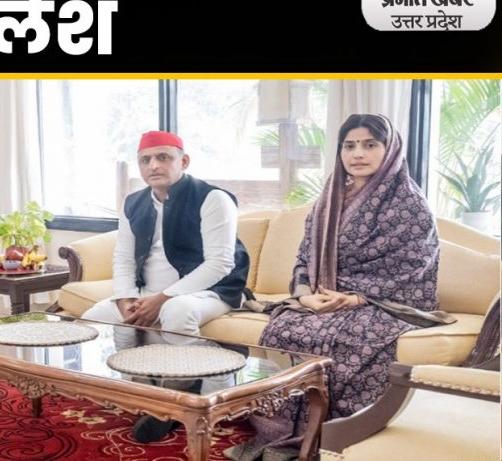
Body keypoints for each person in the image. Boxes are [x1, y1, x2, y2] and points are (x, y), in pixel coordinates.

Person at [227, 114, 453, 461]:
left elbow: (414, 268)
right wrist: (306, 295)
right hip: (323, 296)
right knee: (285, 326)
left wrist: (356, 297)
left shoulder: (409, 203)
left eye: (369, 144)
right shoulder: (330, 198)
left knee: (356, 338)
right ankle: (281, 430)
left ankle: (338, 433)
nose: (357, 154)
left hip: (380, 303)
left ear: (390, 149)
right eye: (349, 146)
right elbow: (305, 255)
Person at [82, 130, 250, 442]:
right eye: (145, 160)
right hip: (147, 292)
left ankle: (215, 381)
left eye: (163, 157)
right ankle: (144, 395)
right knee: (96, 318)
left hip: (212, 291)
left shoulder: (213, 198)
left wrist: (161, 299)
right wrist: (125, 299)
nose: (153, 165)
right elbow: (123, 257)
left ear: (183, 161)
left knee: (176, 311)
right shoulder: (134, 202)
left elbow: (220, 264)